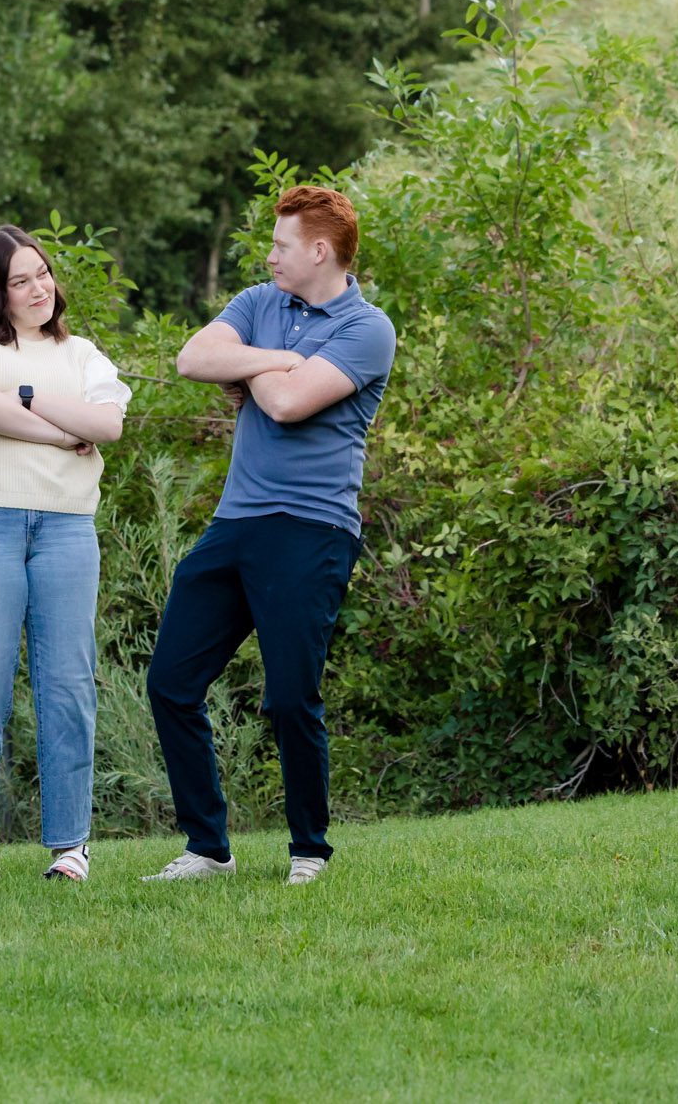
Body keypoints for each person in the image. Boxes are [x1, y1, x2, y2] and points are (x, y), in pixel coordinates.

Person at [145, 185, 396, 886]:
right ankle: (208, 848)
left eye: (281, 245)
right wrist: (276, 358)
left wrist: (251, 364)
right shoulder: (261, 300)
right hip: (236, 523)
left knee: (289, 697)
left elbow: (285, 405)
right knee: (171, 682)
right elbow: (193, 359)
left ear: (319, 251)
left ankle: (309, 850)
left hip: (312, 528)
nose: (270, 257)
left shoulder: (368, 328)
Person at [0, 226, 130, 885]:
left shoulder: (83, 354)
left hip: (67, 528)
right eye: (20, 280)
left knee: (68, 688)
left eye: (42, 273)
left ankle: (70, 846)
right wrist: (61, 431)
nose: (39, 288)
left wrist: (25, 396)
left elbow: (108, 424)